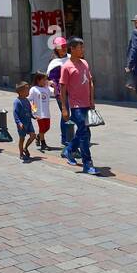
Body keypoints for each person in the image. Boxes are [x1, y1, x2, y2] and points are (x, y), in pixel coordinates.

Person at [58, 37, 99, 175]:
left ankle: (69, 150)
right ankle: (87, 164)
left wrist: (92, 100)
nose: (83, 50)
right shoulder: (66, 67)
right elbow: (62, 88)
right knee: (84, 132)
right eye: (80, 47)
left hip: (87, 104)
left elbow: (90, 82)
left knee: (84, 132)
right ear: (72, 49)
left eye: (83, 47)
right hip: (75, 105)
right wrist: (64, 108)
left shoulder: (85, 63)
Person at [46, 36, 71, 152]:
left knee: (69, 114)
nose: (64, 49)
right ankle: (65, 137)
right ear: (56, 49)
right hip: (61, 93)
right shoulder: (54, 63)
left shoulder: (71, 58)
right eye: (61, 47)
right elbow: (52, 80)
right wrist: (58, 90)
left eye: (65, 46)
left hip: (73, 91)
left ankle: (69, 135)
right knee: (65, 113)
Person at [30, 72, 54, 153]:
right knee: (42, 128)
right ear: (38, 80)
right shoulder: (34, 89)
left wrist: (53, 85)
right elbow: (30, 99)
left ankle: (39, 136)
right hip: (38, 112)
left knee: (47, 127)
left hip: (46, 112)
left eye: (46, 79)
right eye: (44, 79)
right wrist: (33, 111)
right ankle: (43, 143)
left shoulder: (47, 88)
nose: (45, 81)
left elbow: (55, 92)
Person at [13, 81, 35, 163]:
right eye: (27, 90)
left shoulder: (27, 100)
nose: (28, 92)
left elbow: (29, 110)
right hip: (22, 124)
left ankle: (26, 147)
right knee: (22, 138)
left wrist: (33, 116)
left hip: (29, 122)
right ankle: (21, 153)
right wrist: (19, 123)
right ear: (21, 92)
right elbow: (15, 113)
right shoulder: (17, 102)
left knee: (33, 136)